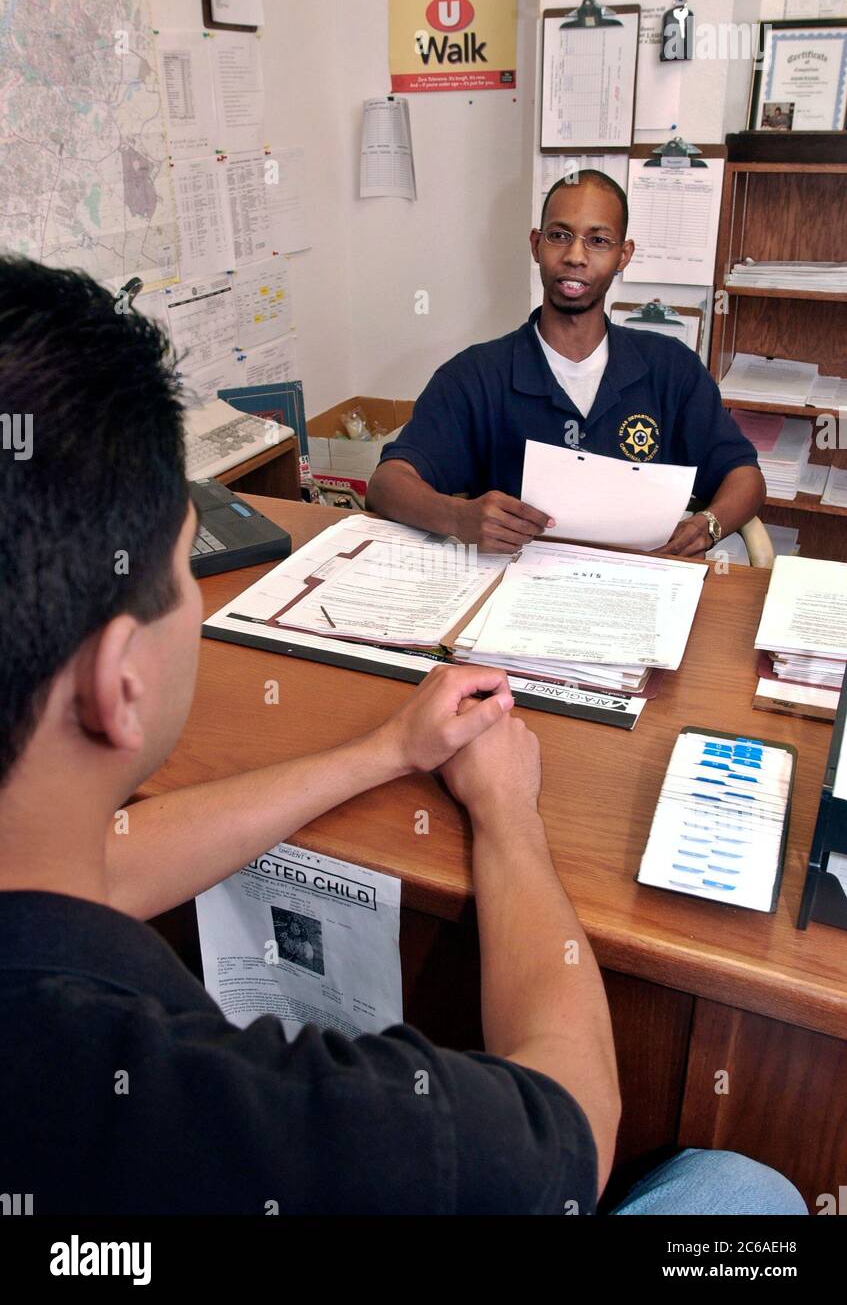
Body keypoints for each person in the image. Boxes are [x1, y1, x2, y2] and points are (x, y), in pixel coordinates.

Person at [0, 256, 803, 1216]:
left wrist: (379, 753)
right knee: (741, 1194)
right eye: (186, 566)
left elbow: (108, 863)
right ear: (116, 684)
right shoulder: (199, 1100)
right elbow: (568, 1137)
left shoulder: (47, 885)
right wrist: (506, 814)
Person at [366, 169, 765, 557]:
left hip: (643, 581)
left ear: (623, 255)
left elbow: (744, 475)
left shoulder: (670, 368)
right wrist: (458, 517)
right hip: (516, 586)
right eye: (560, 236)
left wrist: (708, 525)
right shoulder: (476, 375)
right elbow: (386, 485)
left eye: (598, 240)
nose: (575, 256)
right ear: (536, 245)